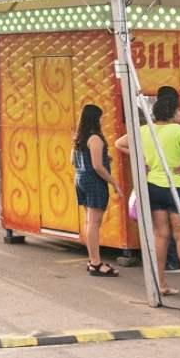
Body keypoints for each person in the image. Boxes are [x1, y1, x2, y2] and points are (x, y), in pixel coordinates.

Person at [118, 86, 180, 300]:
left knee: (160, 235)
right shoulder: (179, 131)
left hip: (154, 187)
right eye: (178, 111)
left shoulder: (145, 130)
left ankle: (160, 284)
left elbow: (119, 143)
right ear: (172, 113)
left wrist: (142, 159)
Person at [72, 102, 115, 276]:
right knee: (94, 223)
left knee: (89, 221)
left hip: (80, 179)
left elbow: (73, 161)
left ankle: (93, 260)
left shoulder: (79, 137)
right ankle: (96, 263)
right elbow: (98, 166)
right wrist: (114, 183)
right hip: (94, 181)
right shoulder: (95, 138)